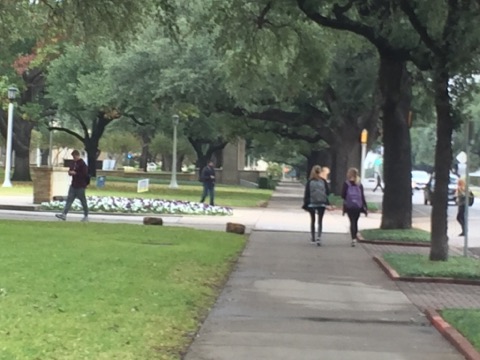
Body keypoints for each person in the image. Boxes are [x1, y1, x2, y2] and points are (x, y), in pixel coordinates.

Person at [55, 150, 89, 222]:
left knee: (83, 201)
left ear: (77, 155)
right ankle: (64, 214)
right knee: (69, 200)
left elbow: (85, 175)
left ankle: (86, 215)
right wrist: (70, 172)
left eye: (74, 157)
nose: (73, 158)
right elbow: (70, 170)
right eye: (73, 157)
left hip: (80, 186)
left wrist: (76, 173)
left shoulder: (83, 164)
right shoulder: (73, 163)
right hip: (73, 185)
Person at [303, 165, 331, 246]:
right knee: (320, 221)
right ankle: (319, 237)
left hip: (312, 203)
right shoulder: (323, 181)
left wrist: (305, 204)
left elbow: (307, 193)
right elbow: (328, 192)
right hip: (322, 203)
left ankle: (313, 238)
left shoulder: (310, 181)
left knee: (313, 220)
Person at [342, 167, 367, 247]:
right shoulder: (359, 184)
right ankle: (354, 238)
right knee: (355, 222)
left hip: (349, 206)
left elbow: (343, 195)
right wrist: (364, 206)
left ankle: (352, 238)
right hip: (358, 206)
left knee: (351, 221)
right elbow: (362, 196)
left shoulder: (346, 183)